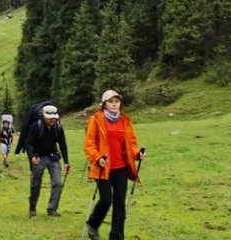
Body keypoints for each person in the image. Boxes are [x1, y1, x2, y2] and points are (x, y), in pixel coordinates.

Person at [84, 90, 146, 240]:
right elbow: (89, 144)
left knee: (119, 202)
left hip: (121, 167)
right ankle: (93, 223)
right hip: (103, 167)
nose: (114, 104)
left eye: (116, 101)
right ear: (104, 104)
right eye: (110, 101)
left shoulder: (125, 121)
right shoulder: (96, 119)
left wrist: (137, 154)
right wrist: (98, 158)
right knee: (106, 199)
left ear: (120, 104)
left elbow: (131, 144)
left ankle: (117, 236)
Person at [24, 104, 70, 218]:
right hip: (38, 158)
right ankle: (32, 207)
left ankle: (52, 209)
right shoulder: (36, 126)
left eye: (54, 117)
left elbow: (63, 145)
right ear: (44, 116)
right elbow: (28, 143)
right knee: (36, 184)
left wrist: (66, 162)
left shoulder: (58, 127)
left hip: (53, 157)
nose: (52, 120)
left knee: (58, 183)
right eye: (50, 118)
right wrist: (32, 156)